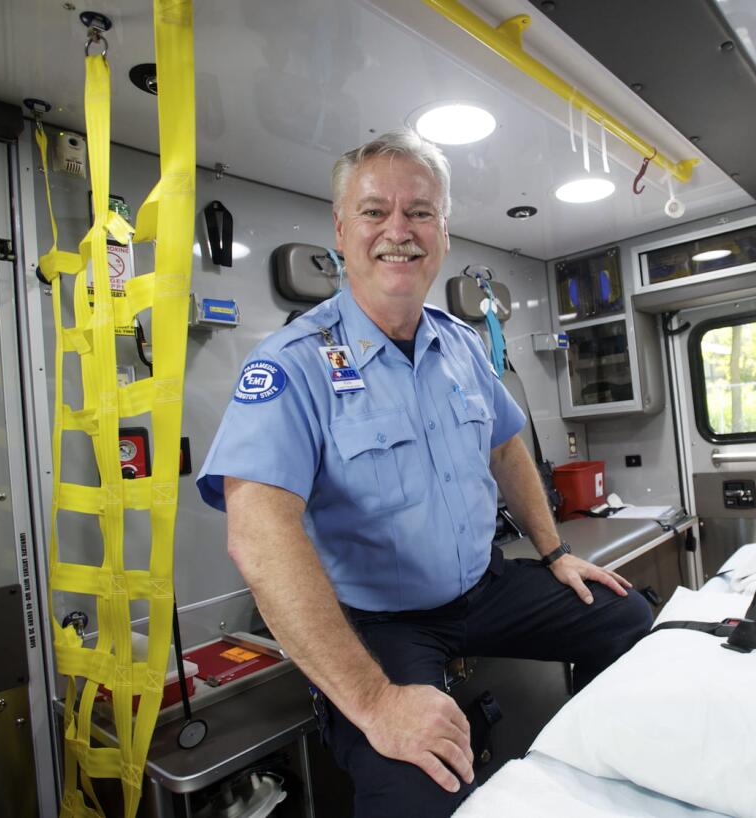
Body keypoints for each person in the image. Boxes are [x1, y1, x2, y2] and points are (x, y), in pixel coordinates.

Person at [196, 129, 653, 818]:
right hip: (383, 621)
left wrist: (556, 552)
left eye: (420, 212)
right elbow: (258, 539)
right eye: (376, 211)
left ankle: (588, 782)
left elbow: (506, 447)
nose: (398, 231)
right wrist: (378, 703)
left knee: (624, 616)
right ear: (342, 230)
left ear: (442, 230)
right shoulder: (293, 363)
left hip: (482, 588)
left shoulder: (462, 345)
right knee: (420, 788)